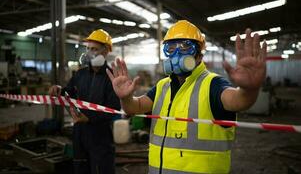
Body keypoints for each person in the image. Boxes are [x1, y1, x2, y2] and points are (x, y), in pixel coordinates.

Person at [106, 20, 267, 174]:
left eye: (185, 47)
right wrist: (126, 98)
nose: (176, 54)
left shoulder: (213, 84)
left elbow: (239, 101)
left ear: (199, 56)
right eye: (171, 48)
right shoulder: (163, 86)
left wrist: (249, 89)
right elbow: (135, 107)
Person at [49, 29, 121, 174]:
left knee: (102, 169)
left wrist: (90, 118)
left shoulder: (112, 77)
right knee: (80, 168)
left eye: (94, 49)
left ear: (106, 51)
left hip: (100, 136)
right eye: (87, 48)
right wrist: (59, 90)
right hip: (79, 134)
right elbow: (70, 92)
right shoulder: (80, 74)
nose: (89, 53)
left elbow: (114, 109)